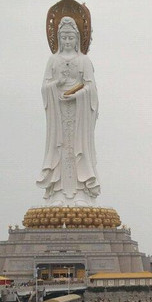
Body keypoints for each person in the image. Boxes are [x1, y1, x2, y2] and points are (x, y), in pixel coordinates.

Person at [37, 15, 100, 205]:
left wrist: (78, 95)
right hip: (59, 113)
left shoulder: (84, 61)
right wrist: (58, 84)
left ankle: (81, 191)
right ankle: (58, 192)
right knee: (60, 148)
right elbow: (45, 87)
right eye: (63, 37)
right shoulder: (53, 60)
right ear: (58, 38)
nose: (66, 41)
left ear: (78, 39)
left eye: (70, 37)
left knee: (78, 148)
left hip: (79, 113)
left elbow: (91, 88)